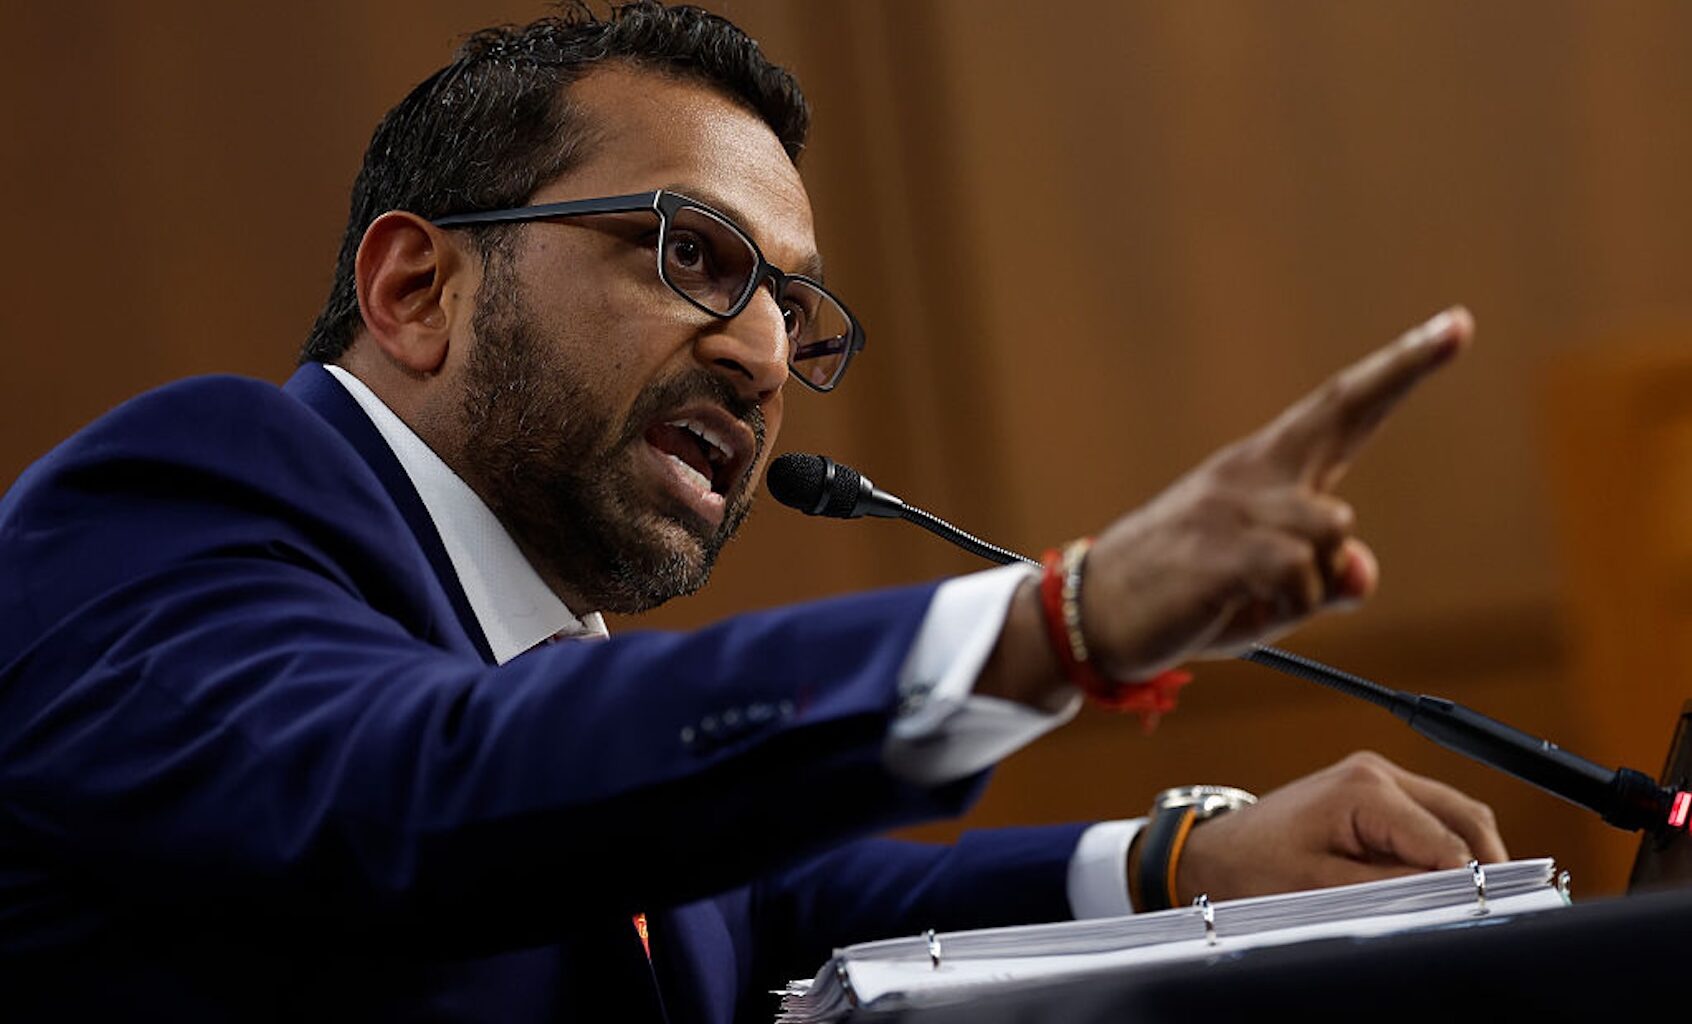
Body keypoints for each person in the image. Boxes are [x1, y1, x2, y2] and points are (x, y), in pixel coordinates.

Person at [0, 3, 1502, 1021]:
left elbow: (772, 909)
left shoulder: (543, 665)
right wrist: (1062, 619)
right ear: (418, 288)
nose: (769, 353)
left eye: (795, 308)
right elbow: (420, 790)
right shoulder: (183, 501)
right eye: (697, 257)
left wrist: (1178, 869)